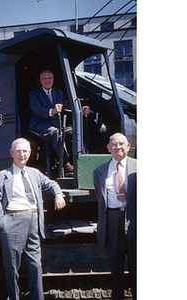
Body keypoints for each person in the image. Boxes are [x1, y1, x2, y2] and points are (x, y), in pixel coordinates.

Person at [0, 138, 66, 300]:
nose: (22, 154)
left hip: (33, 222)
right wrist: (3, 223)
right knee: (12, 269)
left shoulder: (35, 174)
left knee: (35, 265)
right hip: (12, 221)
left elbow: (51, 184)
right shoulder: (2, 176)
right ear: (12, 153)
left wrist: (58, 193)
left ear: (30, 153)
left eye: (25, 151)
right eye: (18, 151)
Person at [93, 133, 137, 300]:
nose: (118, 147)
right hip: (111, 221)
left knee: (138, 267)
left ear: (128, 146)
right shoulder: (99, 171)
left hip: (134, 219)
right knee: (115, 267)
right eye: (114, 144)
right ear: (108, 148)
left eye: (121, 144)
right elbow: (100, 197)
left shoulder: (139, 167)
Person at [29, 69, 90, 175]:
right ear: (40, 81)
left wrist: (80, 111)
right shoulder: (34, 93)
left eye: (49, 78)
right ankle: (66, 165)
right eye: (45, 79)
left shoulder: (58, 92)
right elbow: (37, 110)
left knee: (74, 132)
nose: (47, 81)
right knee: (56, 133)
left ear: (53, 79)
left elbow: (67, 108)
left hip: (57, 124)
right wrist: (52, 111)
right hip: (40, 125)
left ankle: (84, 164)